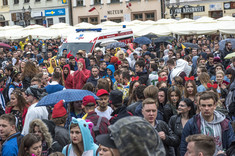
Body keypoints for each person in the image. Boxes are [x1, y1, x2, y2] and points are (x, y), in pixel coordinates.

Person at [180, 91, 235, 156]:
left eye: (209, 105)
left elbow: (231, 146)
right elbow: (184, 147)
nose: (206, 108)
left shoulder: (225, 123)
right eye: (203, 105)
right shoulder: (192, 123)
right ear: (199, 106)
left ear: (214, 106)